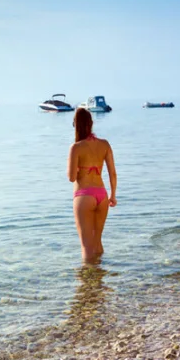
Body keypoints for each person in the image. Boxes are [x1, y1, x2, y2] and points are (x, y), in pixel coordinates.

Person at [67, 108, 117, 262]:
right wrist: (112, 195)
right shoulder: (104, 144)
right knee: (97, 242)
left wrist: (78, 167)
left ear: (76, 125)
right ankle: (99, 279)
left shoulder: (76, 147)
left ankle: (88, 283)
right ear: (91, 123)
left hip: (84, 196)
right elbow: (112, 173)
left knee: (86, 246)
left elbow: (71, 177)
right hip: (102, 195)